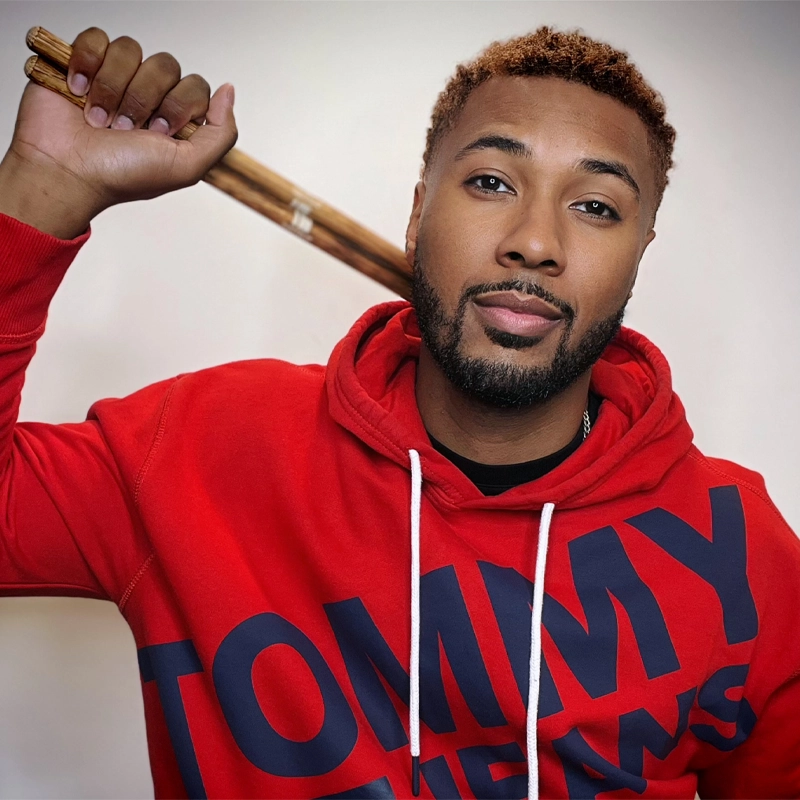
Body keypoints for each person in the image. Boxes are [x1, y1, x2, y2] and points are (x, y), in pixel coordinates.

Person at [0, 22, 798, 800]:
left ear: (640, 254)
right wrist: (44, 189)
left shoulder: (742, 549)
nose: (533, 241)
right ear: (418, 215)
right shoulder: (201, 447)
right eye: (491, 182)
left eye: (595, 206)